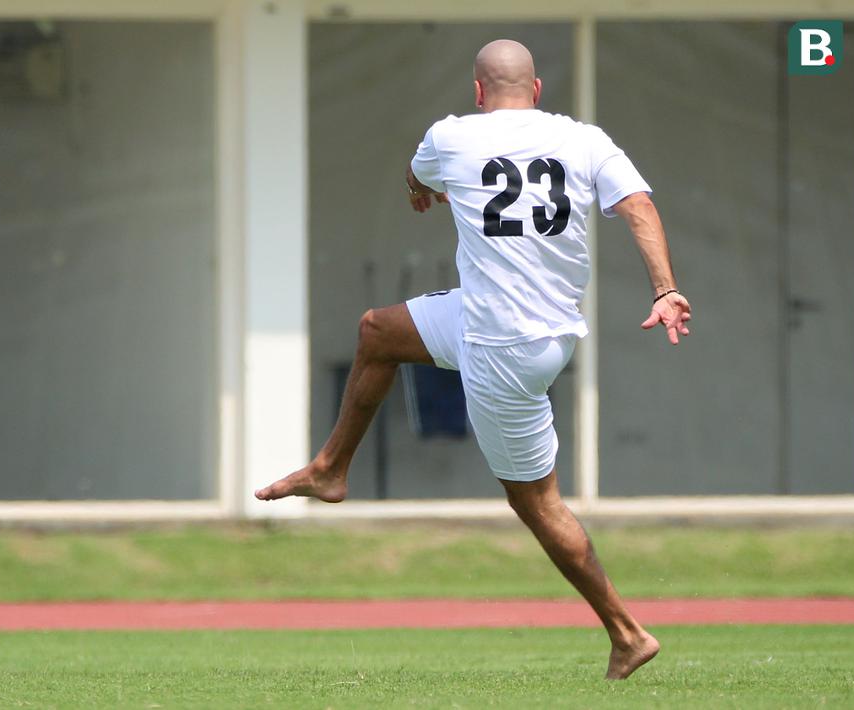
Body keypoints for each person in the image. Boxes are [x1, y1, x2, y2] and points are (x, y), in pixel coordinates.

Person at [255, 39, 690, 680]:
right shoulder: (585, 139)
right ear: (537, 91)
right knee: (378, 331)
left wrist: (418, 191)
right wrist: (666, 288)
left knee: (536, 503)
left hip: (498, 348)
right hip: (514, 326)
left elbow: (416, 174)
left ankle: (628, 632)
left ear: (479, 92)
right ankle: (329, 469)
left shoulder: (450, 136)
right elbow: (639, 207)